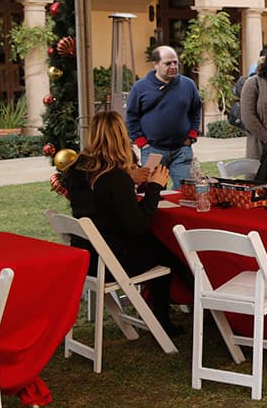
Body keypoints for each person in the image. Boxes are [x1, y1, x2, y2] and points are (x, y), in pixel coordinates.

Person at [64, 111, 187, 335]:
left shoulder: (78, 170)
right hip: (113, 261)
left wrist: (130, 178)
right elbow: (137, 225)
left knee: (158, 246)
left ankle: (174, 311)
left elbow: (101, 201)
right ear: (121, 136)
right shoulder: (114, 178)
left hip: (87, 257)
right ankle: (168, 318)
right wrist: (154, 186)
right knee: (172, 253)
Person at [125, 45, 202, 189]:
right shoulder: (140, 87)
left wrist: (192, 135)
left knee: (185, 191)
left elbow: (196, 111)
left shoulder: (188, 85)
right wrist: (142, 142)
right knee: (154, 193)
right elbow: (131, 117)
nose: (173, 66)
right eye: (168, 63)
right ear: (155, 64)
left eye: (175, 62)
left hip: (182, 149)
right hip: (153, 149)